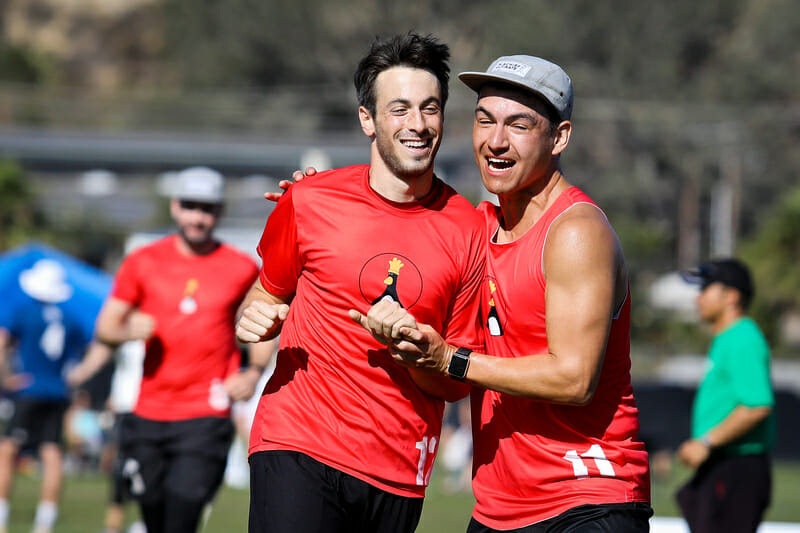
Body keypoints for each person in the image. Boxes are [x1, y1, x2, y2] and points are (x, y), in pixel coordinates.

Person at [351, 55, 653, 531]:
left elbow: (574, 380)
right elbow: (398, 224)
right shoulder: (480, 226)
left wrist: (451, 359)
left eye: (519, 125)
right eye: (484, 120)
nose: (495, 140)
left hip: (586, 498)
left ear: (560, 137)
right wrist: (316, 194)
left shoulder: (575, 232)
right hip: (499, 509)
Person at [235, 32, 485, 533]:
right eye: (399, 109)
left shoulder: (470, 228)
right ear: (367, 120)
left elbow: (453, 382)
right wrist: (253, 317)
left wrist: (414, 350)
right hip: (297, 441)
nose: (417, 124)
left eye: (430, 108)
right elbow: (266, 294)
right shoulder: (307, 201)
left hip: (396, 467)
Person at [89, 166, 274, 533]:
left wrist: (253, 372)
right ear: (175, 207)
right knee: (153, 514)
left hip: (207, 413)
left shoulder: (240, 267)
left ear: (219, 212)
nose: (198, 217)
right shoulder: (143, 261)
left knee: (184, 512)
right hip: (147, 413)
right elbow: (105, 328)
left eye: (207, 208)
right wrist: (127, 330)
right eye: (190, 206)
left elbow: (265, 324)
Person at [0, 258, 112, 533]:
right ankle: (44, 522)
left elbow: (2, 343)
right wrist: (78, 375)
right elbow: (98, 347)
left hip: (29, 389)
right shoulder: (70, 317)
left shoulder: (23, 312)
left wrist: (5, 378)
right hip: (58, 392)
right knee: (52, 454)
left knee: (8, 451)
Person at [675, 258, 775, 533]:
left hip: (736, 470)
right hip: (722, 466)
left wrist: (705, 442)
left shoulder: (743, 338)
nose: (699, 298)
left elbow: (757, 405)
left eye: (706, 289)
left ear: (731, 296)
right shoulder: (727, 339)